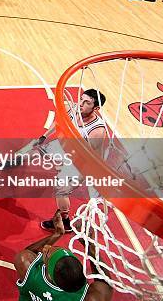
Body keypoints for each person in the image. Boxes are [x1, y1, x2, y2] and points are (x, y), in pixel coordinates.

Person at [38, 89, 107, 232]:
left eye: (87, 102)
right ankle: (15, 161)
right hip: (66, 147)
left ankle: (65, 221)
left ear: (96, 108)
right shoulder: (74, 108)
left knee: (60, 190)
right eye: (81, 99)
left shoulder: (97, 131)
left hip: (82, 161)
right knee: (36, 150)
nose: (80, 104)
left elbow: (86, 157)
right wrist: (45, 135)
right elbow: (58, 122)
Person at [14, 210, 113, 301]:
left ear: (49, 273)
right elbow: (105, 284)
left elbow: (27, 253)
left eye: (47, 254)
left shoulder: (28, 270)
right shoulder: (91, 297)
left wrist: (56, 235)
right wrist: (90, 245)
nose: (46, 248)